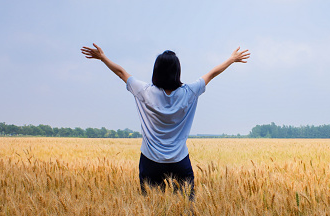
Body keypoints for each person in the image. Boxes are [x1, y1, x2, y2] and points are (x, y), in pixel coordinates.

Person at [80, 44, 250, 199]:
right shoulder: (189, 92)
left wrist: (103, 58)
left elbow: (121, 73)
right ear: (178, 71)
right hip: (179, 161)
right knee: (186, 210)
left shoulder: (145, 92)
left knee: (152, 212)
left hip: (150, 161)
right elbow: (212, 74)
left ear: (156, 71)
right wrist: (231, 59)